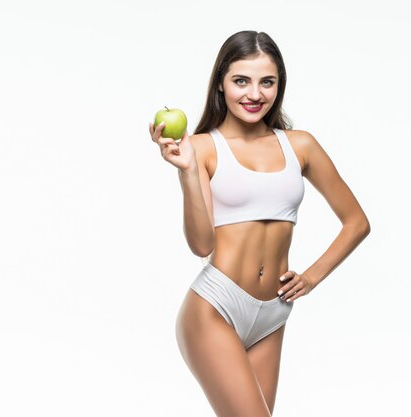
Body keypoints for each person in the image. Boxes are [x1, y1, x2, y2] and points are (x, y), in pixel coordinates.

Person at [148, 30, 370, 417]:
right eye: (241, 81)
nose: (255, 94)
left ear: (279, 85)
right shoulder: (200, 147)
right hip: (215, 307)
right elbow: (201, 245)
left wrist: (312, 276)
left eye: (267, 81)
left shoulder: (300, 145)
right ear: (221, 83)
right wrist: (186, 173)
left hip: (273, 313)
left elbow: (356, 222)